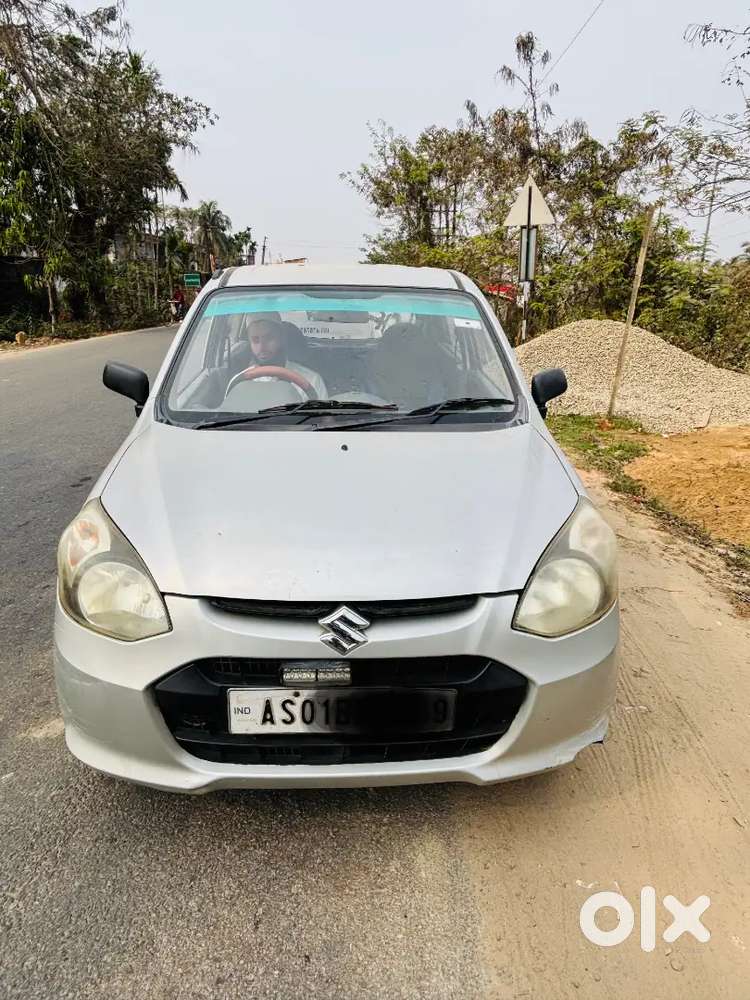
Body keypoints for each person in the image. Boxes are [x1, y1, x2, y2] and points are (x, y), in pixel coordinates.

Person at [237, 317, 327, 398]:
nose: (262, 347)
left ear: (281, 338)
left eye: (269, 338)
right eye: (255, 340)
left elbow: (322, 416)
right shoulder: (239, 382)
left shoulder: (311, 380)